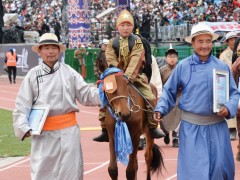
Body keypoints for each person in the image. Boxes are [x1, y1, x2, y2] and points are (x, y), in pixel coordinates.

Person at [154, 23, 239, 179]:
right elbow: (169, 91)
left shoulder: (221, 66)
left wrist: (228, 107)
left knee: (220, 170)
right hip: (191, 129)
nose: (204, 45)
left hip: (217, 128)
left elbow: (234, 93)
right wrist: (160, 108)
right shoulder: (183, 67)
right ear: (192, 43)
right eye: (200, 41)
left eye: (208, 41)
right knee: (194, 173)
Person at [13, 33, 101, 180]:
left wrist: (104, 94)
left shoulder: (69, 72)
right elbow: (22, 105)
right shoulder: (32, 76)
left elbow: (86, 94)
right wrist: (23, 126)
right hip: (43, 134)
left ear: (59, 50)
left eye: (53, 48)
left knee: (71, 173)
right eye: (46, 48)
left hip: (68, 133)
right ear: (40, 51)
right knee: (43, 173)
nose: (50, 51)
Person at [93, 10, 165, 142]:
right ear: (117, 27)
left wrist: (127, 77)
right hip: (116, 75)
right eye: (122, 25)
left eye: (128, 25)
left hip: (136, 76)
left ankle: (152, 126)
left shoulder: (137, 42)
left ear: (133, 27)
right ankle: (104, 127)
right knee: (104, 94)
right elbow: (110, 59)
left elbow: (136, 60)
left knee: (149, 95)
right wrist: (118, 74)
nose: (125, 28)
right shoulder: (111, 43)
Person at [159, 45, 181, 148]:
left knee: (179, 116)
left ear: (177, 58)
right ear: (166, 58)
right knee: (164, 116)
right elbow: (158, 84)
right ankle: (166, 132)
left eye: (174, 56)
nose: (172, 59)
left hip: (178, 96)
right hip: (166, 97)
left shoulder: (181, 69)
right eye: (170, 56)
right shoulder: (162, 70)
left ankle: (176, 136)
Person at [219, 31, 238, 140]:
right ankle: (231, 129)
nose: (234, 41)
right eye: (231, 39)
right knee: (230, 103)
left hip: (238, 81)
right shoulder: (223, 55)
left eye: (235, 39)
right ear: (227, 42)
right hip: (229, 82)